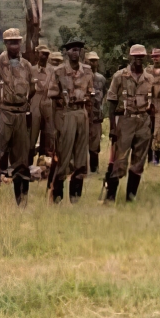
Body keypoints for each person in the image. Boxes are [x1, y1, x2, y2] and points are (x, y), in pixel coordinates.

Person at [104, 45, 156, 202]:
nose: (138, 59)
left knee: (138, 162)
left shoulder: (150, 78)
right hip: (125, 120)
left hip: (143, 121)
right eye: (135, 56)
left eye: (141, 56)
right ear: (130, 57)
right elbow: (111, 103)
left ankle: (130, 197)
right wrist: (113, 127)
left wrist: (152, 130)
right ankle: (110, 196)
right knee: (119, 160)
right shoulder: (120, 76)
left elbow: (152, 106)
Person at [48, 38, 95, 203]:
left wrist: (87, 118)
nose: (75, 52)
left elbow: (90, 96)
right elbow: (53, 99)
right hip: (66, 114)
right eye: (72, 49)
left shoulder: (88, 71)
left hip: (81, 113)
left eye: (78, 49)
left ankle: (76, 197)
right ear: (66, 52)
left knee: (81, 157)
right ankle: (57, 195)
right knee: (64, 156)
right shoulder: (59, 72)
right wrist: (55, 124)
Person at [0, 29, 36, 206]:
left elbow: (32, 89)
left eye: (18, 42)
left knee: (21, 159)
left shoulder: (27, 65)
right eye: (12, 42)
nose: (15, 45)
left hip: (21, 113)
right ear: (5, 43)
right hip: (3, 112)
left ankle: (22, 200)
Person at [29, 43, 56, 165]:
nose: (44, 56)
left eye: (47, 54)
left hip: (48, 101)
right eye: (42, 53)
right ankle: (28, 161)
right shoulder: (31, 70)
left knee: (48, 132)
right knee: (32, 132)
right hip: (34, 100)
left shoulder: (53, 71)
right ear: (37, 54)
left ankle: (45, 162)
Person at [86, 52, 107, 174]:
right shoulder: (81, 76)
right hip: (84, 114)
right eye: (90, 60)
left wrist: (102, 109)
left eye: (95, 60)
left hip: (96, 115)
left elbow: (104, 95)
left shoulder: (101, 79)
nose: (93, 63)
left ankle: (94, 168)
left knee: (95, 143)